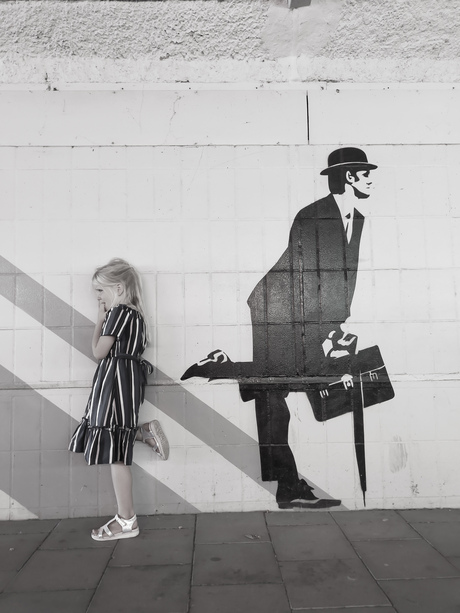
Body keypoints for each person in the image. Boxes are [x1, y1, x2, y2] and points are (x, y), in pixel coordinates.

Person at [182, 147, 377, 508]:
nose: (370, 179)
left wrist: (336, 324)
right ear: (349, 176)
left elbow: (343, 277)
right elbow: (305, 276)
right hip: (279, 307)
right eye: (365, 173)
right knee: (277, 388)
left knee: (277, 386)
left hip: (306, 312)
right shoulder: (313, 215)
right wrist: (327, 330)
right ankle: (287, 484)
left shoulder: (358, 217)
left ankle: (221, 367)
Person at [69, 258, 169, 540]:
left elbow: (98, 352)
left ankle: (127, 520)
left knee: (115, 450)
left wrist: (99, 320)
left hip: (113, 378)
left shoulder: (117, 313)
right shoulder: (137, 316)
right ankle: (144, 432)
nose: (98, 297)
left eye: (100, 291)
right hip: (128, 378)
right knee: (116, 434)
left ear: (118, 287)